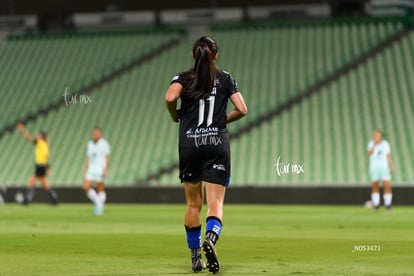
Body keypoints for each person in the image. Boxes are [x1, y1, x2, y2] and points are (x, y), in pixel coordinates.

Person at [165, 36, 247, 273]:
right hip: (216, 143)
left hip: (190, 143)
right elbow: (242, 109)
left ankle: (194, 258)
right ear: (216, 56)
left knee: (193, 204)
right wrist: (222, 120)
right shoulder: (225, 78)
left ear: (193, 55)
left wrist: (174, 116)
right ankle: (210, 238)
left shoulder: (183, 78)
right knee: (215, 202)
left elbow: (170, 97)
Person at [16, 122, 58, 205]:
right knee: (45, 184)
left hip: (39, 166)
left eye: (38, 135)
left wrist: (22, 130)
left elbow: (29, 138)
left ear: (41, 137)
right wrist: (48, 168)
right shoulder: (45, 144)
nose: (37, 136)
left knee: (31, 182)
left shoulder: (40, 142)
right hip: (43, 166)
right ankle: (55, 199)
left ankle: (27, 200)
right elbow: (47, 158)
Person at [82, 127, 110, 215]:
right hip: (91, 168)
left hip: (100, 168)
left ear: (100, 134)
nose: (95, 134)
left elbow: (107, 157)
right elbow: (88, 157)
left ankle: (99, 207)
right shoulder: (90, 144)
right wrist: (85, 169)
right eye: (94, 132)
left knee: (100, 188)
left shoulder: (104, 144)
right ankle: (99, 204)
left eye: (97, 132)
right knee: (86, 186)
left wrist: (105, 169)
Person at [368, 129, 395, 210]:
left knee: (387, 185)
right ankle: (376, 205)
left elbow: (388, 156)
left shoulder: (386, 144)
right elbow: (369, 153)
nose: (375, 136)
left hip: (384, 167)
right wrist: (374, 145)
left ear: (381, 136)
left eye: (377, 135)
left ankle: (388, 204)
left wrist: (391, 167)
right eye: (375, 135)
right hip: (374, 167)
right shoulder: (371, 143)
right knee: (375, 185)